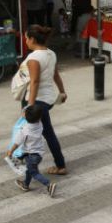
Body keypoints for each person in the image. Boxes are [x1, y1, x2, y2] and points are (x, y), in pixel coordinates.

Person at [22, 24, 69, 175]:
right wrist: (62, 91)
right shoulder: (51, 54)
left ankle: (36, 166)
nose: (26, 41)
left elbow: (34, 81)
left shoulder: (33, 58)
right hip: (48, 100)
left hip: (37, 100)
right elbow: (56, 74)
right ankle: (58, 164)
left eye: (26, 38)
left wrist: (29, 106)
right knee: (45, 132)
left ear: (33, 39)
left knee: (34, 132)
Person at [6, 104, 57, 197]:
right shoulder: (40, 124)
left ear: (25, 116)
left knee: (34, 173)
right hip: (39, 154)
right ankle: (25, 184)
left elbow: (17, 142)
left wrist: (11, 151)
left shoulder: (25, 130)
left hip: (31, 155)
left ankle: (49, 185)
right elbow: (34, 114)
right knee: (29, 170)